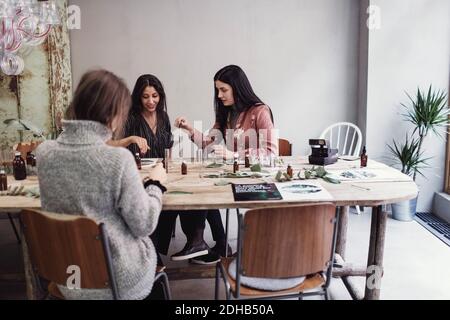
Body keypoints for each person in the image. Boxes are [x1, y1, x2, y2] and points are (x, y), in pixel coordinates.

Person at [36, 69, 167, 300]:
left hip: (69, 277)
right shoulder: (117, 160)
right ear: (113, 113)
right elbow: (144, 224)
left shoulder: (45, 153)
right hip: (116, 280)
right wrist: (156, 184)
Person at [175, 65, 278, 264]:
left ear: (237, 88)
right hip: (235, 176)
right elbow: (208, 144)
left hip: (258, 180)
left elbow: (271, 153)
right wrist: (189, 129)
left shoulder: (260, 111)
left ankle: (208, 243)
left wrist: (233, 155)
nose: (219, 95)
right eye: (217, 90)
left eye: (224, 90)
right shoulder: (227, 114)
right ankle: (204, 242)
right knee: (199, 185)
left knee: (205, 187)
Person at [111, 74, 211, 266]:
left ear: (160, 96)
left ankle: (195, 241)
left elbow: (168, 149)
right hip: (137, 176)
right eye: (145, 96)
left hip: (160, 173)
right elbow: (108, 144)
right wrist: (130, 139)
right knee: (159, 202)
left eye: (155, 96)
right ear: (138, 98)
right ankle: (153, 253)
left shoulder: (163, 116)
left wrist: (170, 167)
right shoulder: (129, 118)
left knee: (190, 192)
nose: (151, 101)